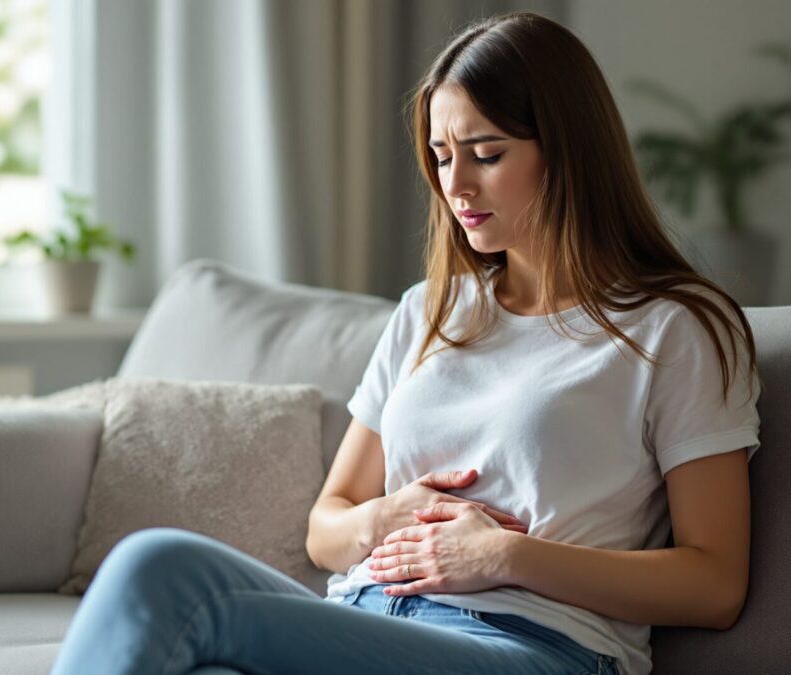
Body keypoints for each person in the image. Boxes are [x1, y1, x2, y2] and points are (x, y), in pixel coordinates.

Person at [49, 10, 761, 675]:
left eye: (486, 153)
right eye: (442, 155)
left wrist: (505, 555)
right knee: (162, 584)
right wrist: (384, 517)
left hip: (530, 643)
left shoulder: (675, 327)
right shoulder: (430, 311)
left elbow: (714, 582)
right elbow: (325, 529)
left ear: (568, 152)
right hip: (368, 613)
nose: (457, 184)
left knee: (162, 577)